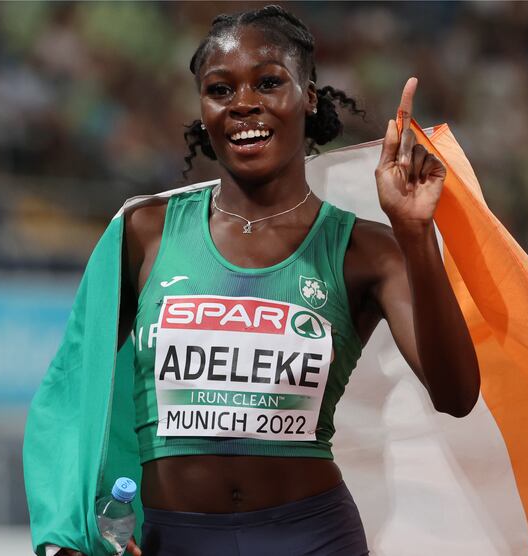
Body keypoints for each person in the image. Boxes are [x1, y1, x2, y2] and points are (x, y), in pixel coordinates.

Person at [54, 5, 479, 555]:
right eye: (220, 89)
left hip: (311, 538)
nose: (244, 104)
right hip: (173, 541)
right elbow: (74, 394)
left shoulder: (367, 251)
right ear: (202, 108)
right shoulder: (144, 232)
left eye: (269, 82)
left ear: (309, 96)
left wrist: (416, 233)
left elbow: (457, 395)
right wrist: (78, 526)